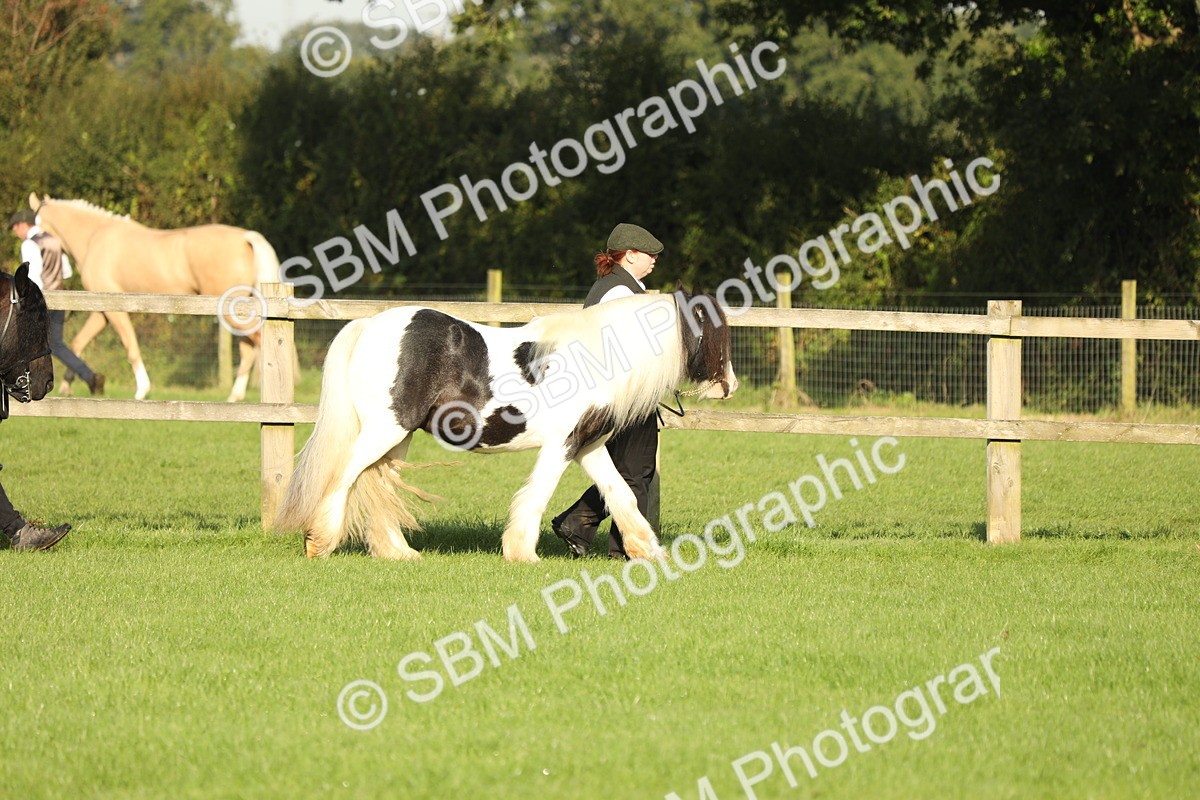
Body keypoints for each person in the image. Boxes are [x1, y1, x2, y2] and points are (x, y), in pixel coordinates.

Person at [551, 222, 663, 559]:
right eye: (648, 254)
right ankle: (626, 552)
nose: (654, 259)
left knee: (624, 470)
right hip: (624, 396)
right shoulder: (620, 293)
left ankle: (577, 523)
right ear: (629, 256)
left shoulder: (617, 287)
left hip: (617, 394)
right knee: (637, 472)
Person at [9, 209, 104, 395]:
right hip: (59, 298)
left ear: (22, 225)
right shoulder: (53, 239)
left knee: (24, 340)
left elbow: (33, 277)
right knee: (56, 345)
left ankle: (23, 385)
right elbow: (66, 272)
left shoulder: (29, 244)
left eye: (14, 227)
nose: (14, 231)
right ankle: (89, 376)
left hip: (41, 301)